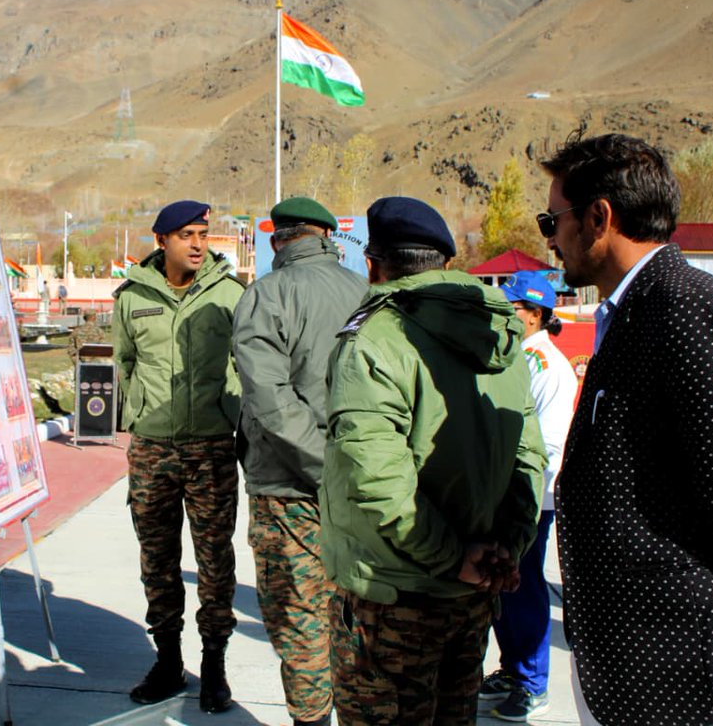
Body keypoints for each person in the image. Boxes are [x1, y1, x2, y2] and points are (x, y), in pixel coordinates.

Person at [541, 133, 713, 725]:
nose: (550, 239)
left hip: (673, 661)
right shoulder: (635, 308)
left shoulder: (684, 306)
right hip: (631, 660)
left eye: (552, 220)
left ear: (599, 217)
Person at [320, 196, 547, 725]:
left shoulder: (376, 337)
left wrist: (452, 557)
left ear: (374, 265)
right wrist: (504, 550)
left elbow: (378, 480)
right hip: (472, 595)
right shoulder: (500, 339)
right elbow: (527, 458)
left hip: (392, 595)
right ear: (445, 264)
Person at [232, 197, 367, 726]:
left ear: (277, 241)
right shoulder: (365, 293)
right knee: (352, 621)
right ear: (328, 237)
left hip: (290, 491)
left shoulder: (269, 293)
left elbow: (270, 400)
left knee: (302, 625)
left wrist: (320, 465)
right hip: (357, 488)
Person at [112, 199, 245, 712]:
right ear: (161, 240)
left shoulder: (231, 295)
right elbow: (125, 362)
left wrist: (228, 410)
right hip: (152, 449)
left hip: (211, 446)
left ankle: (214, 665)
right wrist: (142, 414)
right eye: (186, 234)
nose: (197, 244)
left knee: (215, 562)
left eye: (203, 234)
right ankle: (168, 661)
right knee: (158, 560)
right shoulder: (132, 298)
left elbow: (244, 361)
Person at [480, 271, 577, 722]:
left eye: (512, 309)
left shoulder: (549, 365)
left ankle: (533, 682)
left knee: (525, 587)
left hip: (529, 496)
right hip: (501, 492)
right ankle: (512, 667)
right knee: (501, 587)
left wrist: (526, 496)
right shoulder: (513, 356)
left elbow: (549, 442)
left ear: (535, 315)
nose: (504, 315)